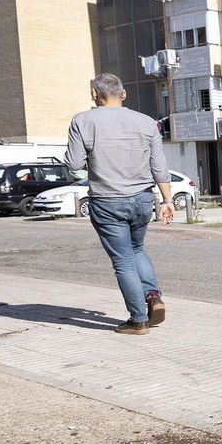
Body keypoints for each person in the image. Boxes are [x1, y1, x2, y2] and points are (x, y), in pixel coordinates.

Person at [66, 73, 175, 335]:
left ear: (94, 94)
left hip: (107, 200)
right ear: (123, 94)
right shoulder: (147, 122)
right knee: (137, 249)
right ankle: (152, 295)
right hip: (143, 198)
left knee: (123, 261)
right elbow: (159, 167)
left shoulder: (83, 121)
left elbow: (74, 165)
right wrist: (167, 200)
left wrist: (91, 166)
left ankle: (138, 320)